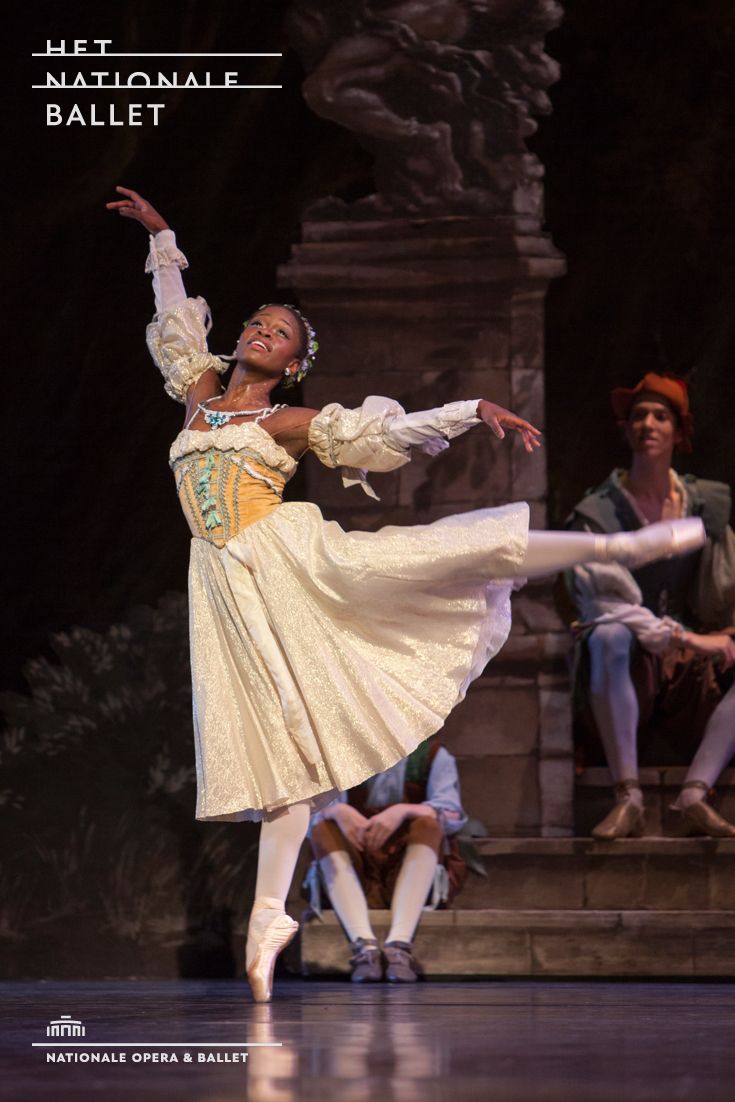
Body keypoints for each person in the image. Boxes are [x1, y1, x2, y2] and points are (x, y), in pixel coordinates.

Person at [107, 188, 704, 1000]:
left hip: (288, 564)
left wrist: (465, 409)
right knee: (280, 758)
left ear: (291, 364)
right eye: (255, 321)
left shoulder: (290, 422)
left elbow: (381, 435)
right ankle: (267, 918)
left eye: (277, 332)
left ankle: (616, 543)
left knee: (440, 551)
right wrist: (165, 239)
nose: (257, 331)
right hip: (223, 589)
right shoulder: (197, 393)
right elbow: (177, 326)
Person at [564, 373, 735, 839]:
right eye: (638, 415)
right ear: (626, 430)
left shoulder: (704, 506)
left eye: (661, 416)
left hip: (686, 673)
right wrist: (687, 637)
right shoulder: (598, 513)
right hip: (627, 663)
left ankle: (696, 792)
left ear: (679, 433)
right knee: (609, 635)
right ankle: (628, 797)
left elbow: (726, 586)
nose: (648, 424)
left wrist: (719, 636)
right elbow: (604, 605)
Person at [306, 737, 468, 983]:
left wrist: (403, 811)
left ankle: (399, 946)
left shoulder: (431, 754)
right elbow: (306, 815)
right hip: (359, 864)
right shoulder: (341, 751)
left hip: (404, 865)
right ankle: (364, 948)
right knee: (323, 829)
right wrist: (336, 811)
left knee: (428, 823)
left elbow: (452, 812)